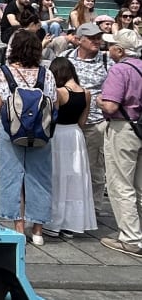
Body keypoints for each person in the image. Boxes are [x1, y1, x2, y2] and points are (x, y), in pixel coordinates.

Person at [0, 29, 57, 246]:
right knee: (40, 177)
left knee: (12, 175)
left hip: (12, 131)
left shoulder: (4, 72)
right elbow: (54, 103)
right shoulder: (45, 73)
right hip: (40, 131)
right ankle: (37, 230)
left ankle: (18, 226)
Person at [41, 57, 96, 238]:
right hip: (75, 135)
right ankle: (72, 224)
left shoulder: (59, 92)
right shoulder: (86, 93)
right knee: (75, 179)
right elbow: (82, 121)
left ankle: (54, 223)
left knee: (57, 177)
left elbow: (52, 116)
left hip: (59, 136)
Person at [99, 29, 142, 258]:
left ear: (120, 50)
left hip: (124, 128)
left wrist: (98, 100)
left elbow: (110, 107)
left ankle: (131, 239)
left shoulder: (120, 69)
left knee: (121, 184)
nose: (109, 49)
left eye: (112, 45)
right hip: (140, 127)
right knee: (140, 186)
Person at [66, 22, 111, 212]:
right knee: (69, 168)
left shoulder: (108, 60)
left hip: (96, 121)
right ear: (78, 40)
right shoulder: (66, 59)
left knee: (95, 169)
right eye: (92, 38)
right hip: (69, 122)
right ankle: (70, 208)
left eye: (98, 37)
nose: (96, 41)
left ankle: (93, 210)